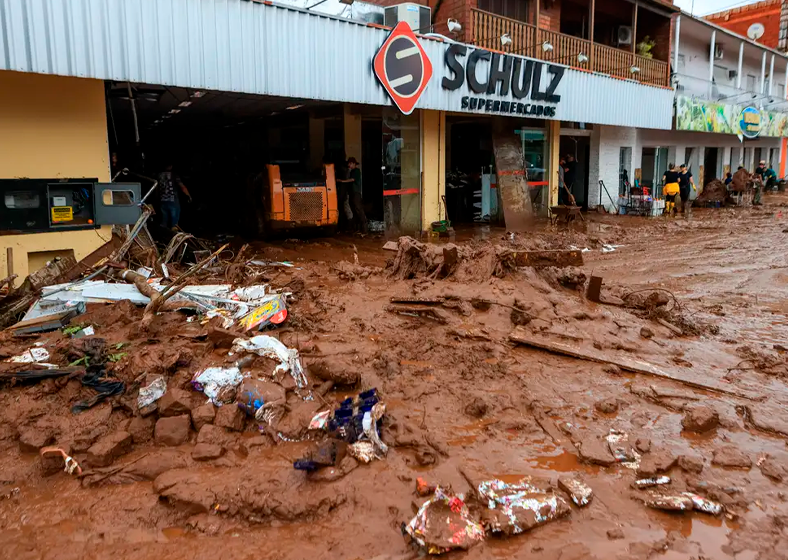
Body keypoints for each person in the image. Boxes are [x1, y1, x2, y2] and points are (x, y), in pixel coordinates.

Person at [337, 157, 367, 234]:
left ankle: (364, 228)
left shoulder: (356, 171)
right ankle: (357, 228)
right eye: (348, 163)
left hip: (356, 192)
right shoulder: (350, 171)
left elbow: (352, 179)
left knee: (358, 209)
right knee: (354, 209)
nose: (349, 165)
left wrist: (342, 181)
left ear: (354, 164)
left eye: (350, 163)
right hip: (351, 193)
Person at [157, 162, 192, 230]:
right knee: (174, 221)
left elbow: (157, 189)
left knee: (164, 220)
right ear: (171, 166)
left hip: (163, 200)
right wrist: (188, 195)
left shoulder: (159, 175)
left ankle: (162, 235)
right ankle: (174, 235)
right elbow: (182, 187)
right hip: (172, 200)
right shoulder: (174, 175)